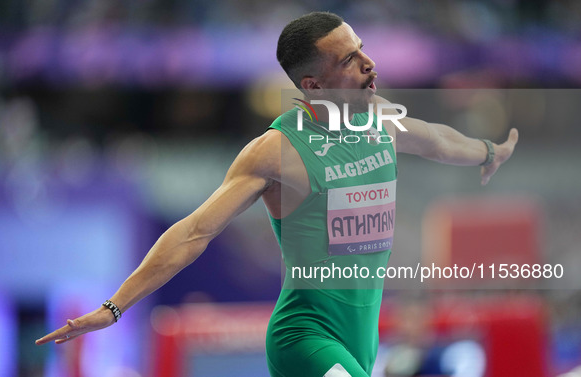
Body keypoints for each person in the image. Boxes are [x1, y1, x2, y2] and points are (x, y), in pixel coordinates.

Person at [36, 11, 519, 377]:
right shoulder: (276, 151)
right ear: (314, 84)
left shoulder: (380, 120)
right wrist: (114, 308)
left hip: (361, 341)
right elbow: (194, 232)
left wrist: (486, 151)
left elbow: (435, 139)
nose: (370, 64)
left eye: (362, 49)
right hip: (304, 336)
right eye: (350, 59)